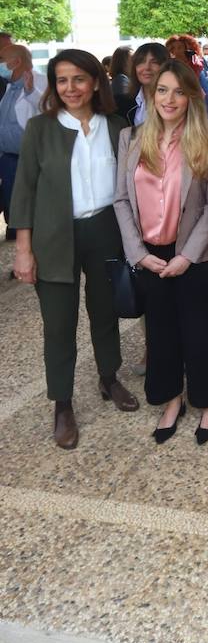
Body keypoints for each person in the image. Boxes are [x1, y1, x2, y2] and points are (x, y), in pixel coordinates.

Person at [10, 50, 138, 449]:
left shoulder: (117, 126)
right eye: (62, 80)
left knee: (105, 310)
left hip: (104, 230)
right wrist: (23, 250)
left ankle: (108, 377)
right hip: (53, 236)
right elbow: (25, 192)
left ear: (96, 81)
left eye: (78, 79)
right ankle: (62, 403)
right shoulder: (40, 128)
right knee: (59, 323)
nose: (70, 88)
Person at [114, 60, 208, 445]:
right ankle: (171, 399)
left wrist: (188, 255)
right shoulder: (131, 138)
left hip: (194, 255)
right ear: (151, 93)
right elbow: (120, 201)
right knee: (161, 335)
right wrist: (137, 252)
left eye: (179, 91)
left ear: (191, 96)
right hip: (149, 254)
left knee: (203, 332)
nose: (170, 98)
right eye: (162, 89)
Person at [0, 44, 47, 239]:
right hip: (8, 158)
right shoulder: (8, 85)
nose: (0, 64)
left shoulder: (42, 81)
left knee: (30, 210)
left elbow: (50, 112)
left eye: (2, 60)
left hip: (30, 159)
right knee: (15, 206)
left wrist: (30, 93)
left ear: (16, 62)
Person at [117, 42, 169, 125]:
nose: (147, 67)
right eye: (141, 62)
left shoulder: (173, 102)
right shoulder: (122, 104)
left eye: (154, 62)